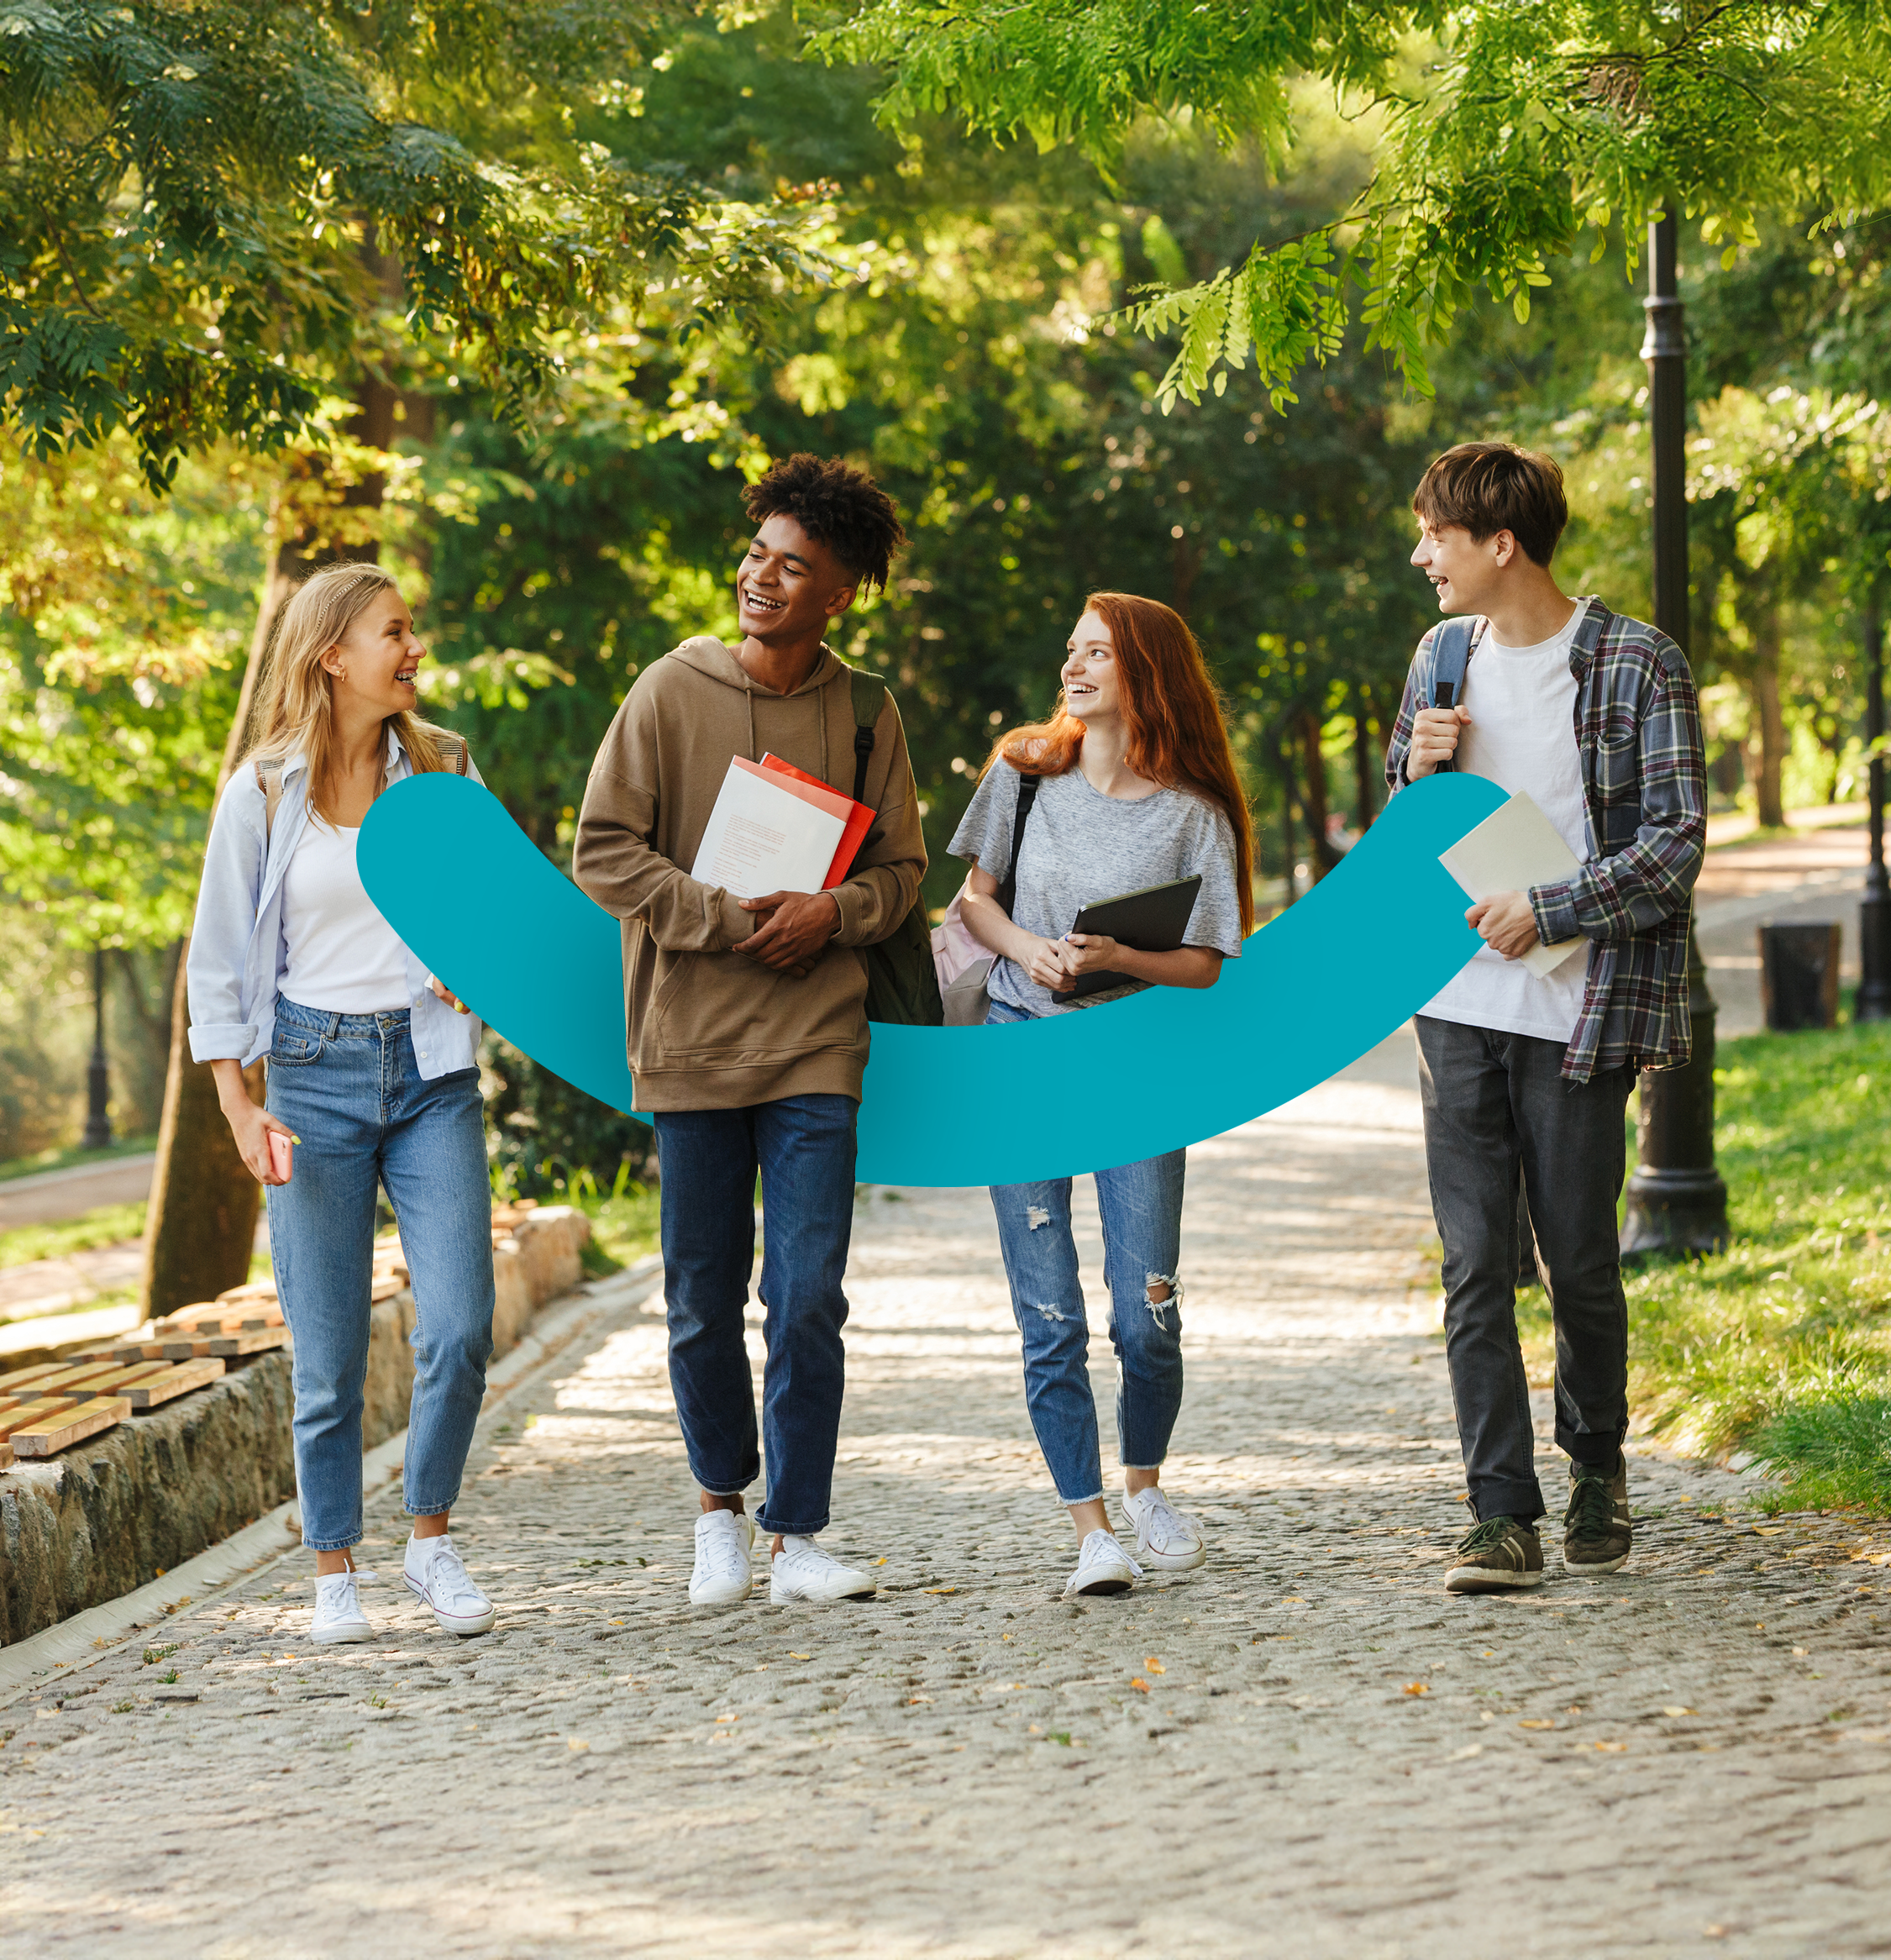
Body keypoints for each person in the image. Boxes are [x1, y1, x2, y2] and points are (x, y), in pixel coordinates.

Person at [573, 454, 926, 1610]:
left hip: (818, 1040)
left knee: (809, 1291)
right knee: (699, 1293)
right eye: (756, 555)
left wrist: (833, 911)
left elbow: (904, 875)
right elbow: (604, 850)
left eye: (794, 566)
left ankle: (798, 1534)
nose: (762, 577)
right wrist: (724, 920)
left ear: (839, 593)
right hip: (689, 1039)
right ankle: (718, 1506)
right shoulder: (667, 691)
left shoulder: (866, 711)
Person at [1386, 441, 1707, 1594]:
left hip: (1579, 1007)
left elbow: (1672, 843)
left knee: (1574, 1258)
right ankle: (1497, 1512)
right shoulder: (1436, 658)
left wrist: (1551, 906)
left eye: (1434, 534)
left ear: (1498, 542)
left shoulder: (1631, 662)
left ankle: (1595, 1465)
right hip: (1453, 1005)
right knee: (1474, 1263)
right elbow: (1408, 830)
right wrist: (1411, 775)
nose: (1420, 555)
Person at [189, 562, 501, 1646]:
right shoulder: (263, 790)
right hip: (310, 1081)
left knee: (460, 1323)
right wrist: (237, 1106)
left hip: (431, 1075)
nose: (414, 650)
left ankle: (429, 1539)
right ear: (333, 655)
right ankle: (332, 1569)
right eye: (394, 633)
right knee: (326, 1354)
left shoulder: (448, 765)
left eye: (411, 632)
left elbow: (492, 916)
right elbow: (219, 960)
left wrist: (480, 968)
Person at [948, 593, 1253, 1597]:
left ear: (1145, 673)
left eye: (1096, 653)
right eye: (1069, 648)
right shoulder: (1023, 774)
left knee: (1144, 1310)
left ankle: (1146, 1483)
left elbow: (1207, 962)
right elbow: (972, 903)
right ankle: (1089, 1527)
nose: (1073, 667)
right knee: (1048, 1313)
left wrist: (1118, 952)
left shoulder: (1192, 813)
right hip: (1017, 1053)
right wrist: (1028, 947)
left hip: (1135, 1070)